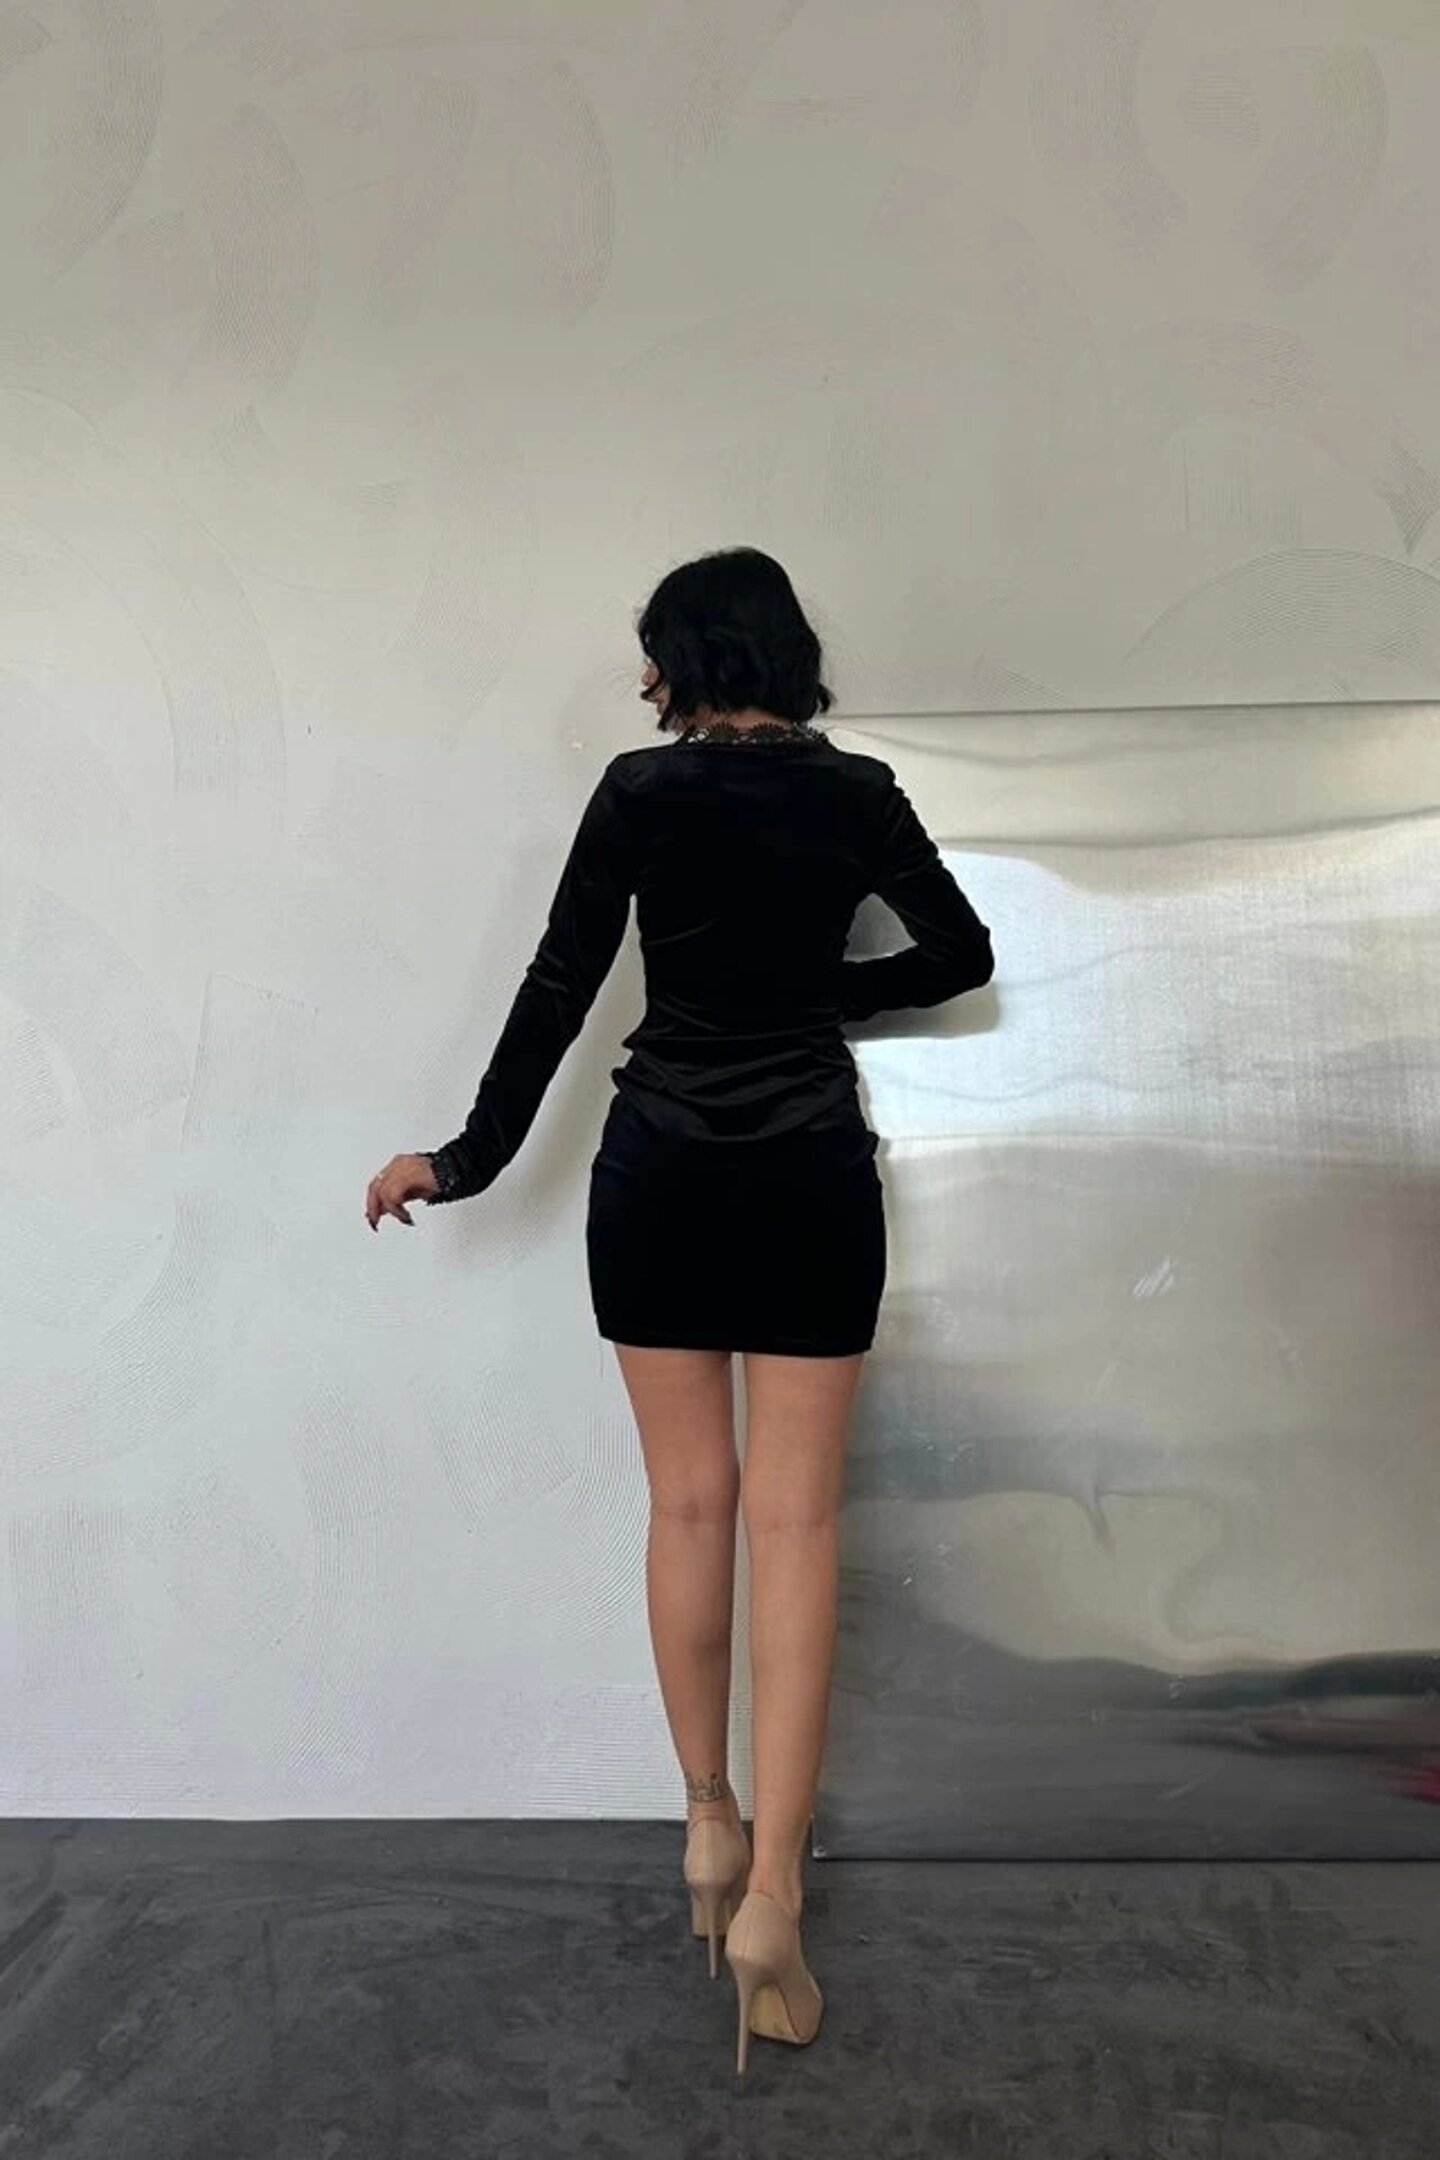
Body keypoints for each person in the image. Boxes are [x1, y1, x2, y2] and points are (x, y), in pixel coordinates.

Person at [364, 546, 994, 2075]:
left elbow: (559, 986)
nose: (643, 678)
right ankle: (776, 1894)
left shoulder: (641, 793)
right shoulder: (857, 794)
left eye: (653, 651)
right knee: (795, 1524)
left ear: (690, 659)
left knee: (690, 1509)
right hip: (808, 1178)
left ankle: (706, 1819)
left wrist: (464, 1159)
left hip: (658, 1174)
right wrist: (818, 996)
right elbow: (962, 955)